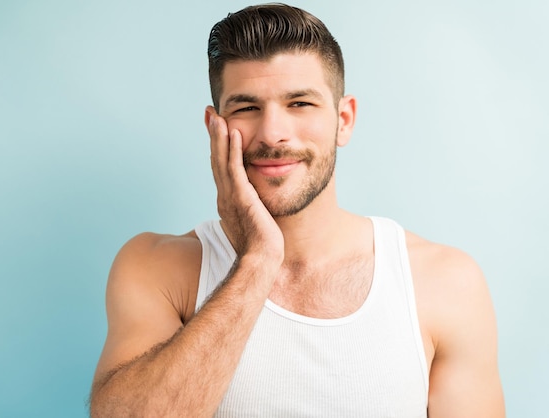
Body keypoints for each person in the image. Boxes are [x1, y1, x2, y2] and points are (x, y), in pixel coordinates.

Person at [89, 3, 505, 417]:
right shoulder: (155, 268)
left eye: (300, 104)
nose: (273, 133)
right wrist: (258, 259)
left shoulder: (443, 283)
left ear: (344, 120)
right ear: (214, 126)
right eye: (247, 108)